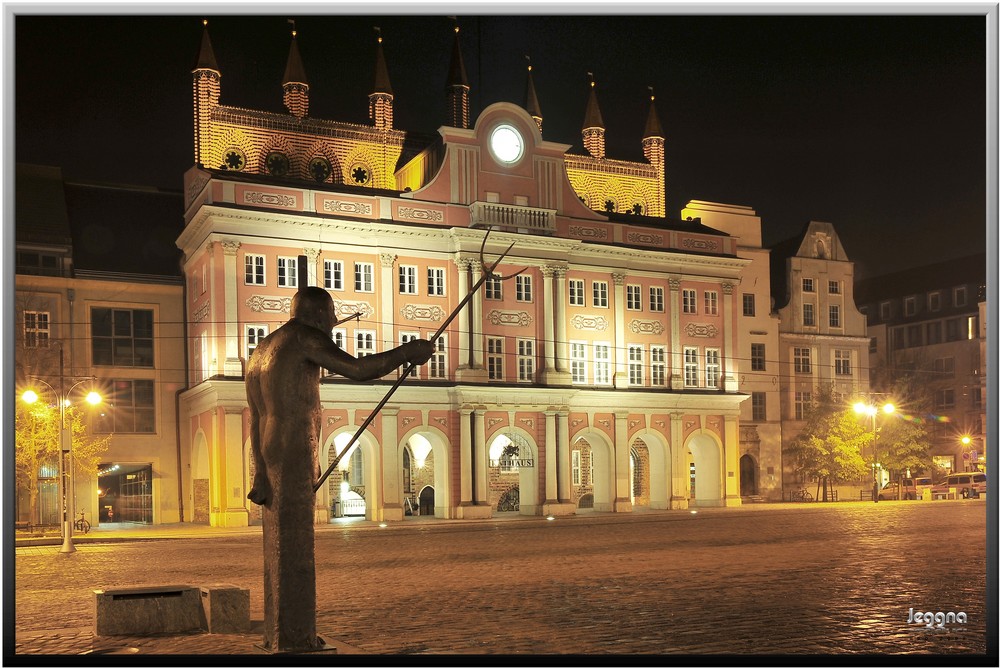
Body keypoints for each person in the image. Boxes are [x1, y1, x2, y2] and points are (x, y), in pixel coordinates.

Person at [245, 285, 433, 652]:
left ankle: (278, 632)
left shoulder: (261, 349)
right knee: (296, 545)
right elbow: (358, 369)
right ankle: (295, 637)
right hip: (295, 446)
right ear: (317, 314)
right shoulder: (304, 336)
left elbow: (255, 416)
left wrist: (260, 469)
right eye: (331, 317)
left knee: (278, 544)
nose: (333, 324)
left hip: (271, 449)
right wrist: (407, 352)